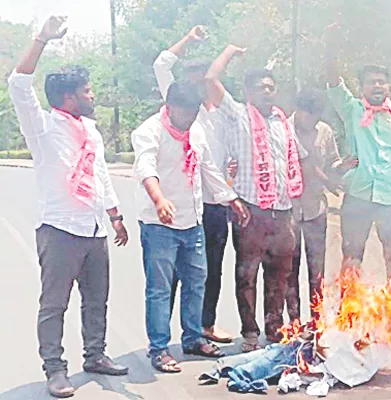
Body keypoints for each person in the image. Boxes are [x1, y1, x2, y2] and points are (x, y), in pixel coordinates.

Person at [7, 16, 129, 398]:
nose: (93, 97)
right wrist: (42, 38)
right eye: (88, 92)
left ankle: (95, 355)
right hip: (59, 230)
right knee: (54, 305)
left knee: (97, 300)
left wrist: (115, 215)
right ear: (69, 98)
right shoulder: (42, 127)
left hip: (93, 230)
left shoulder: (90, 130)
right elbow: (18, 83)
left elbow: (101, 175)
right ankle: (55, 369)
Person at [132, 80, 250, 372]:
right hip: (159, 224)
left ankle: (193, 338)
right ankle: (159, 349)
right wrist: (160, 200)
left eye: (193, 113)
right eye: (184, 114)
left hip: (191, 221)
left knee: (197, 282)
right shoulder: (148, 132)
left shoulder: (195, 130)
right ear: (170, 108)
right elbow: (145, 167)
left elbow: (207, 168)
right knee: (159, 289)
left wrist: (230, 198)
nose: (189, 120)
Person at [203, 45, 309, 352]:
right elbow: (211, 79)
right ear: (248, 91)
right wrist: (228, 52)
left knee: (279, 276)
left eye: (271, 88)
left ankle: (274, 330)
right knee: (246, 274)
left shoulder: (282, 122)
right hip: (251, 212)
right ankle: (250, 333)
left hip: (283, 212)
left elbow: (296, 163)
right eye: (261, 88)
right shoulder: (237, 115)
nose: (267, 92)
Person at [324, 24, 391, 281]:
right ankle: (348, 315)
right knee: (352, 255)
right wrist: (330, 46)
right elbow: (334, 82)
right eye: (371, 82)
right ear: (362, 87)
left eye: (382, 81)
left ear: (389, 86)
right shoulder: (352, 110)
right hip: (358, 195)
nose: (377, 85)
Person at [153, 25, 235, 344]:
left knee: (211, 269)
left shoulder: (226, 113)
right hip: (182, 202)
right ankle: (162, 337)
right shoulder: (181, 107)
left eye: (206, 79)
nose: (201, 86)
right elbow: (161, 65)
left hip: (216, 203)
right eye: (196, 79)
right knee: (172, 273)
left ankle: (206, 325)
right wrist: (188, 39)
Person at [285, 88, 356, 323]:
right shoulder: (283, 129)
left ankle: (317, 320)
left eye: (317, 115)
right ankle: (294, 321)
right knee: (289, 270)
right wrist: (328, 181)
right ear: (298, 111)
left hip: (316, 208)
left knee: (317, 269)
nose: (313, 120)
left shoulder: (324, 131)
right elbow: (302, 163)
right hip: (290, 209)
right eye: (309, 115)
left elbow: (330, 163)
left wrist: (341, 167)